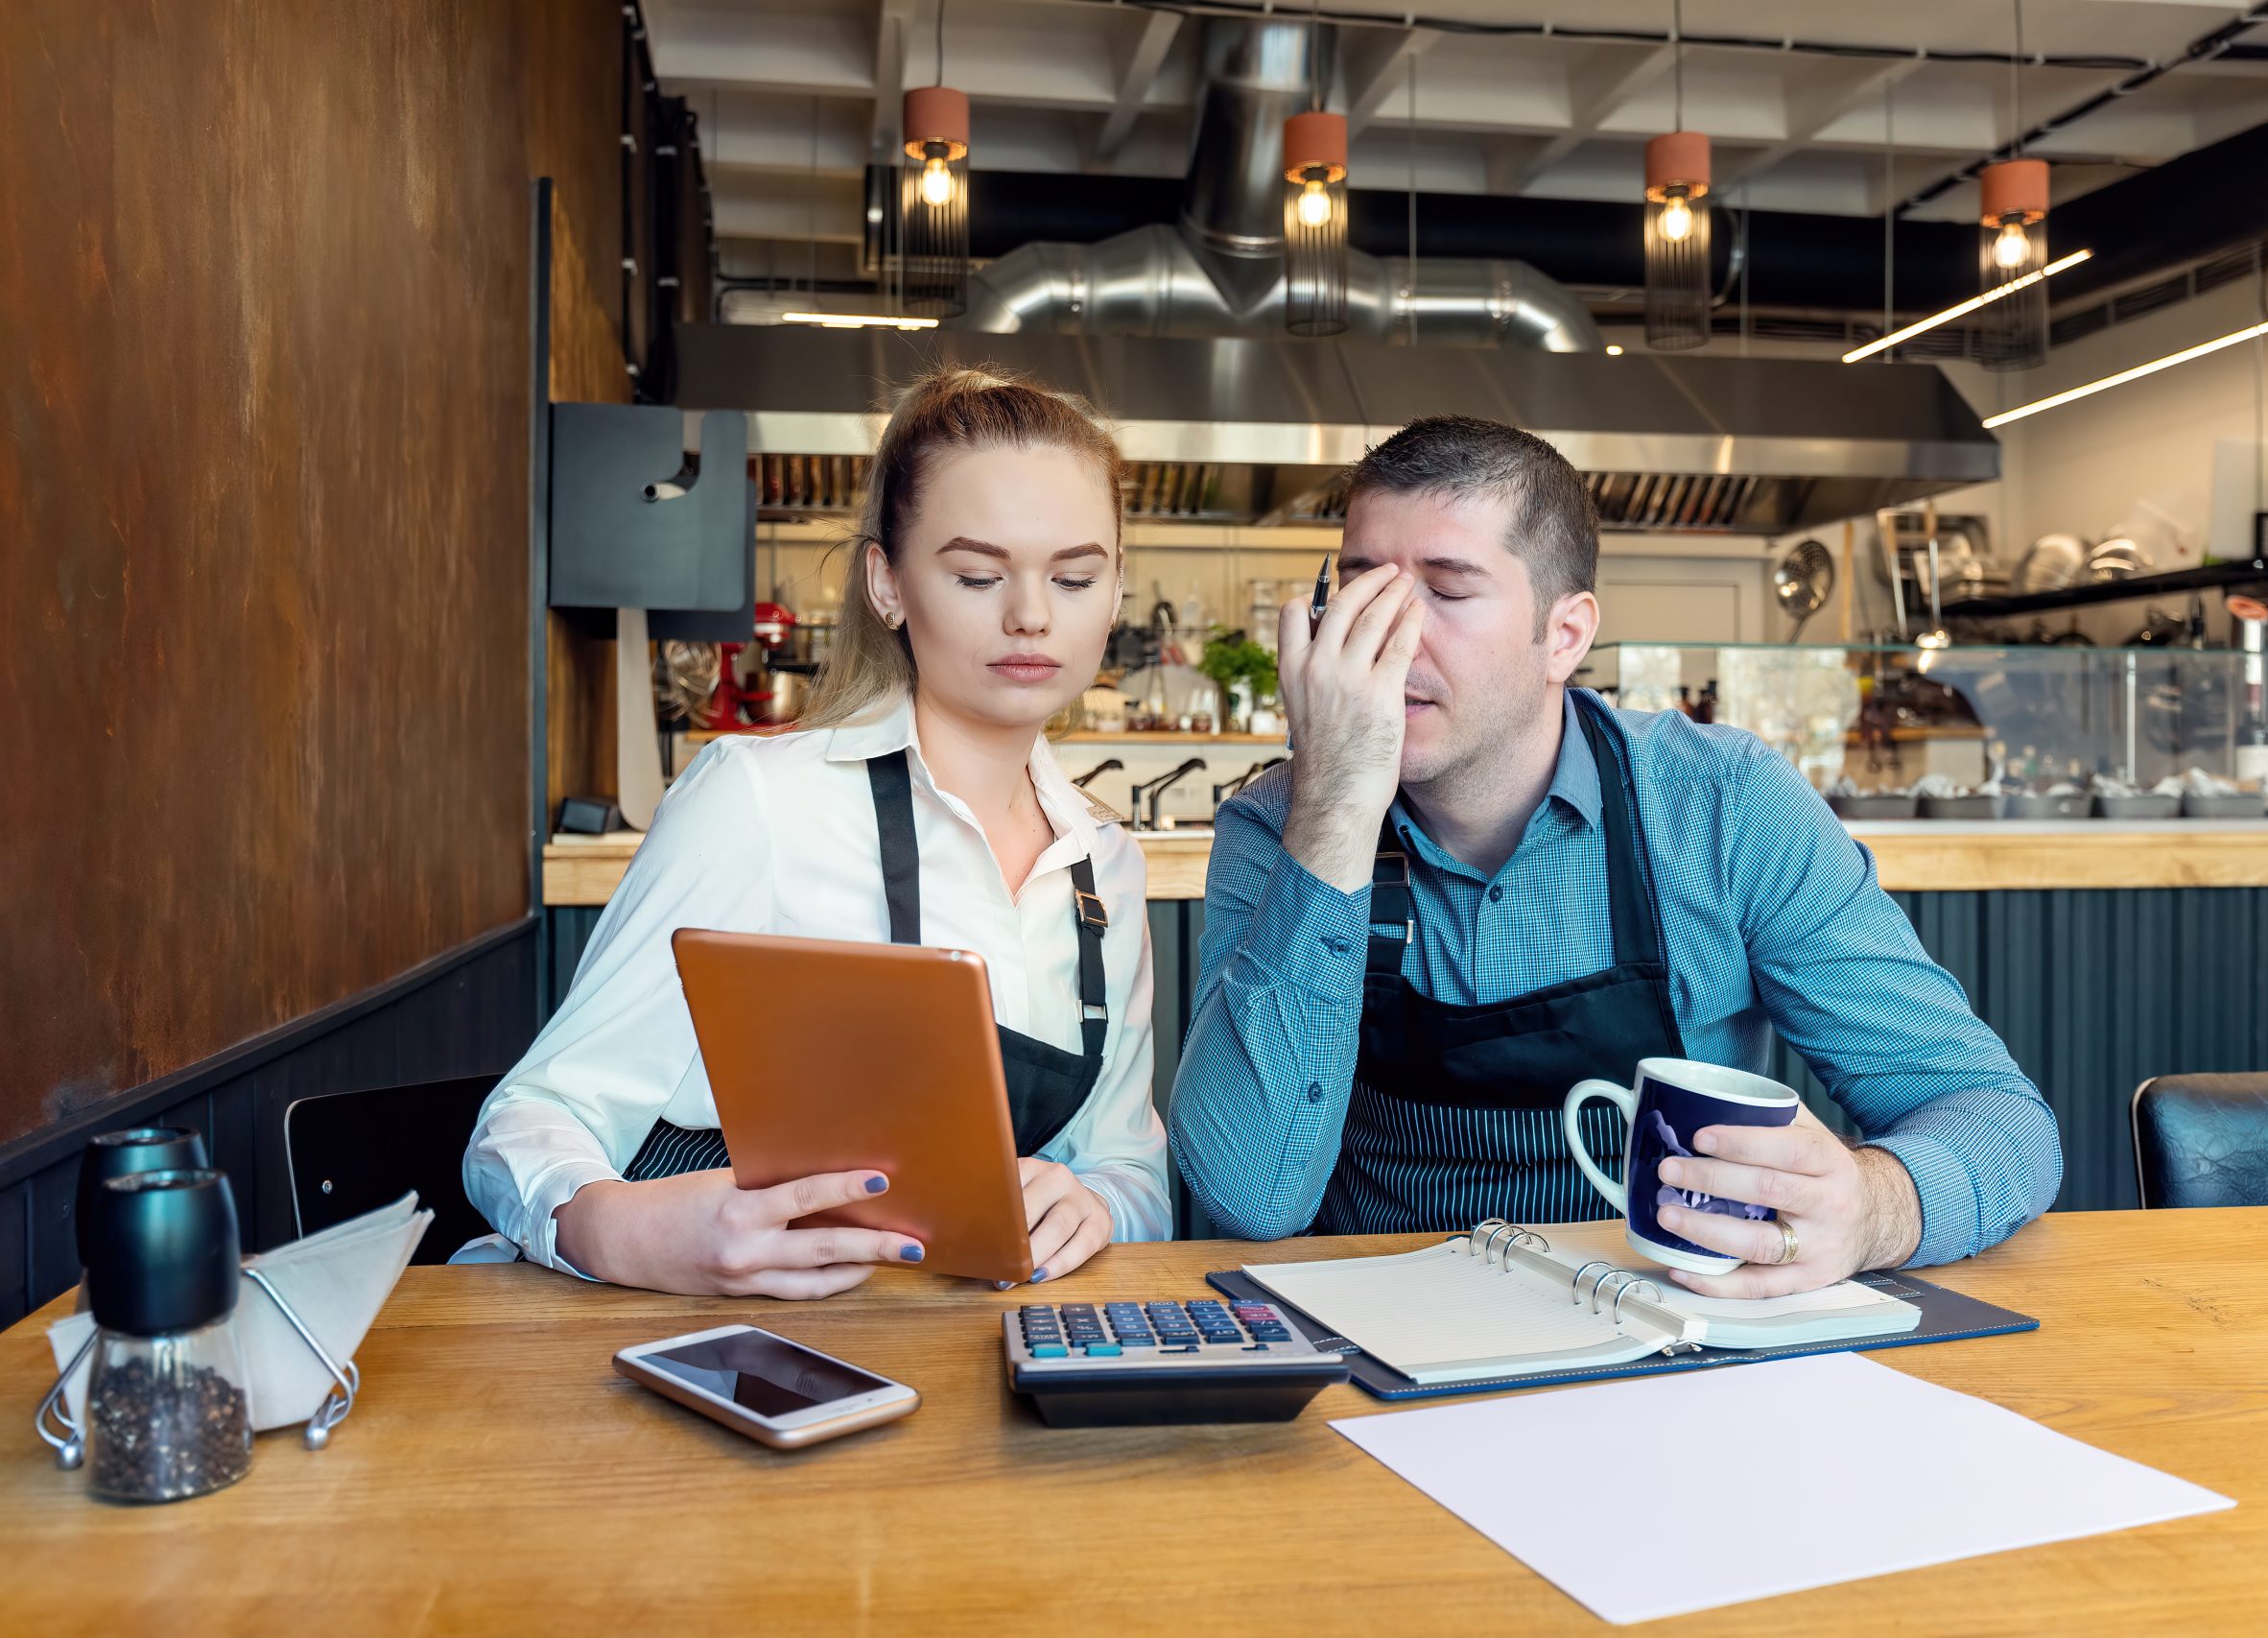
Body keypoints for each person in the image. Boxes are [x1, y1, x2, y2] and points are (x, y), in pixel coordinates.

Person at [1170, 416, 2061, 1297]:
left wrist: (1872, 1208)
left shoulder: (1724, 805)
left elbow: (2001, 1120)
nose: (1390, 638)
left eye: (1447, 590)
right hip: (1376, 1349)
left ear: (1565, 636)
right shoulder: (1278, 824)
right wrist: (1331, 811)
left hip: (1665, 1342)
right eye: (1363, 589)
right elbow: (1252, 1196)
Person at [464, 365, 1169, 1297]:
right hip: (710, 1340)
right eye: (975, 574)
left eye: (1075, 576)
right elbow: (530, 1118)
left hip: (956, 1358)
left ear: (1115, 590)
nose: (1031, 615)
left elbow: (1133, 1176)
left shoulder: (1103, 866)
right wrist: (625, 1232)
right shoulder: (757, 801)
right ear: (886, 585)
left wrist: (1096, 1203)